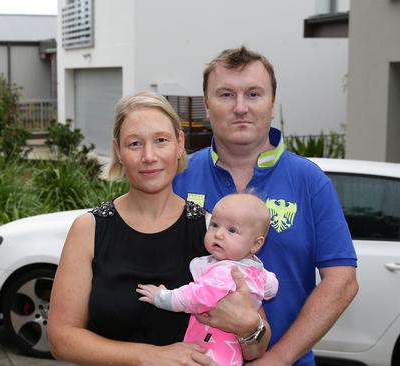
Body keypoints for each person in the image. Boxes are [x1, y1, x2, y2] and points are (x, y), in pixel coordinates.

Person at [48, 91, 270, 365]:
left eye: (161, 141)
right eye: (134, 144)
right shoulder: (90, 229)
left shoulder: (211, 230)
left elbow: (256, 347)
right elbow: (61, 338)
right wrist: (150, 356)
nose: (149, 156)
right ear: (118, 151)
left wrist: (249, 328)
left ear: (179, 144)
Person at [173, 46, 359, 365]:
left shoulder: (309, 181)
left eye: (254, 94)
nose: (240, 107)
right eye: (226, 94)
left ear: (272, 104)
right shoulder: (178, 177)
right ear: (206, 105)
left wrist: (279, 359)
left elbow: (342, 282)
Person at [137, 193, 279, 366]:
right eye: (214, 225)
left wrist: (161, 297)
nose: (218, 234)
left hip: (210, 352)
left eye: (232, 230)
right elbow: (271, 288)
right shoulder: (258, 271)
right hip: (230, 354)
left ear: (256, 244)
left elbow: (195, 296)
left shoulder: (226, 271)